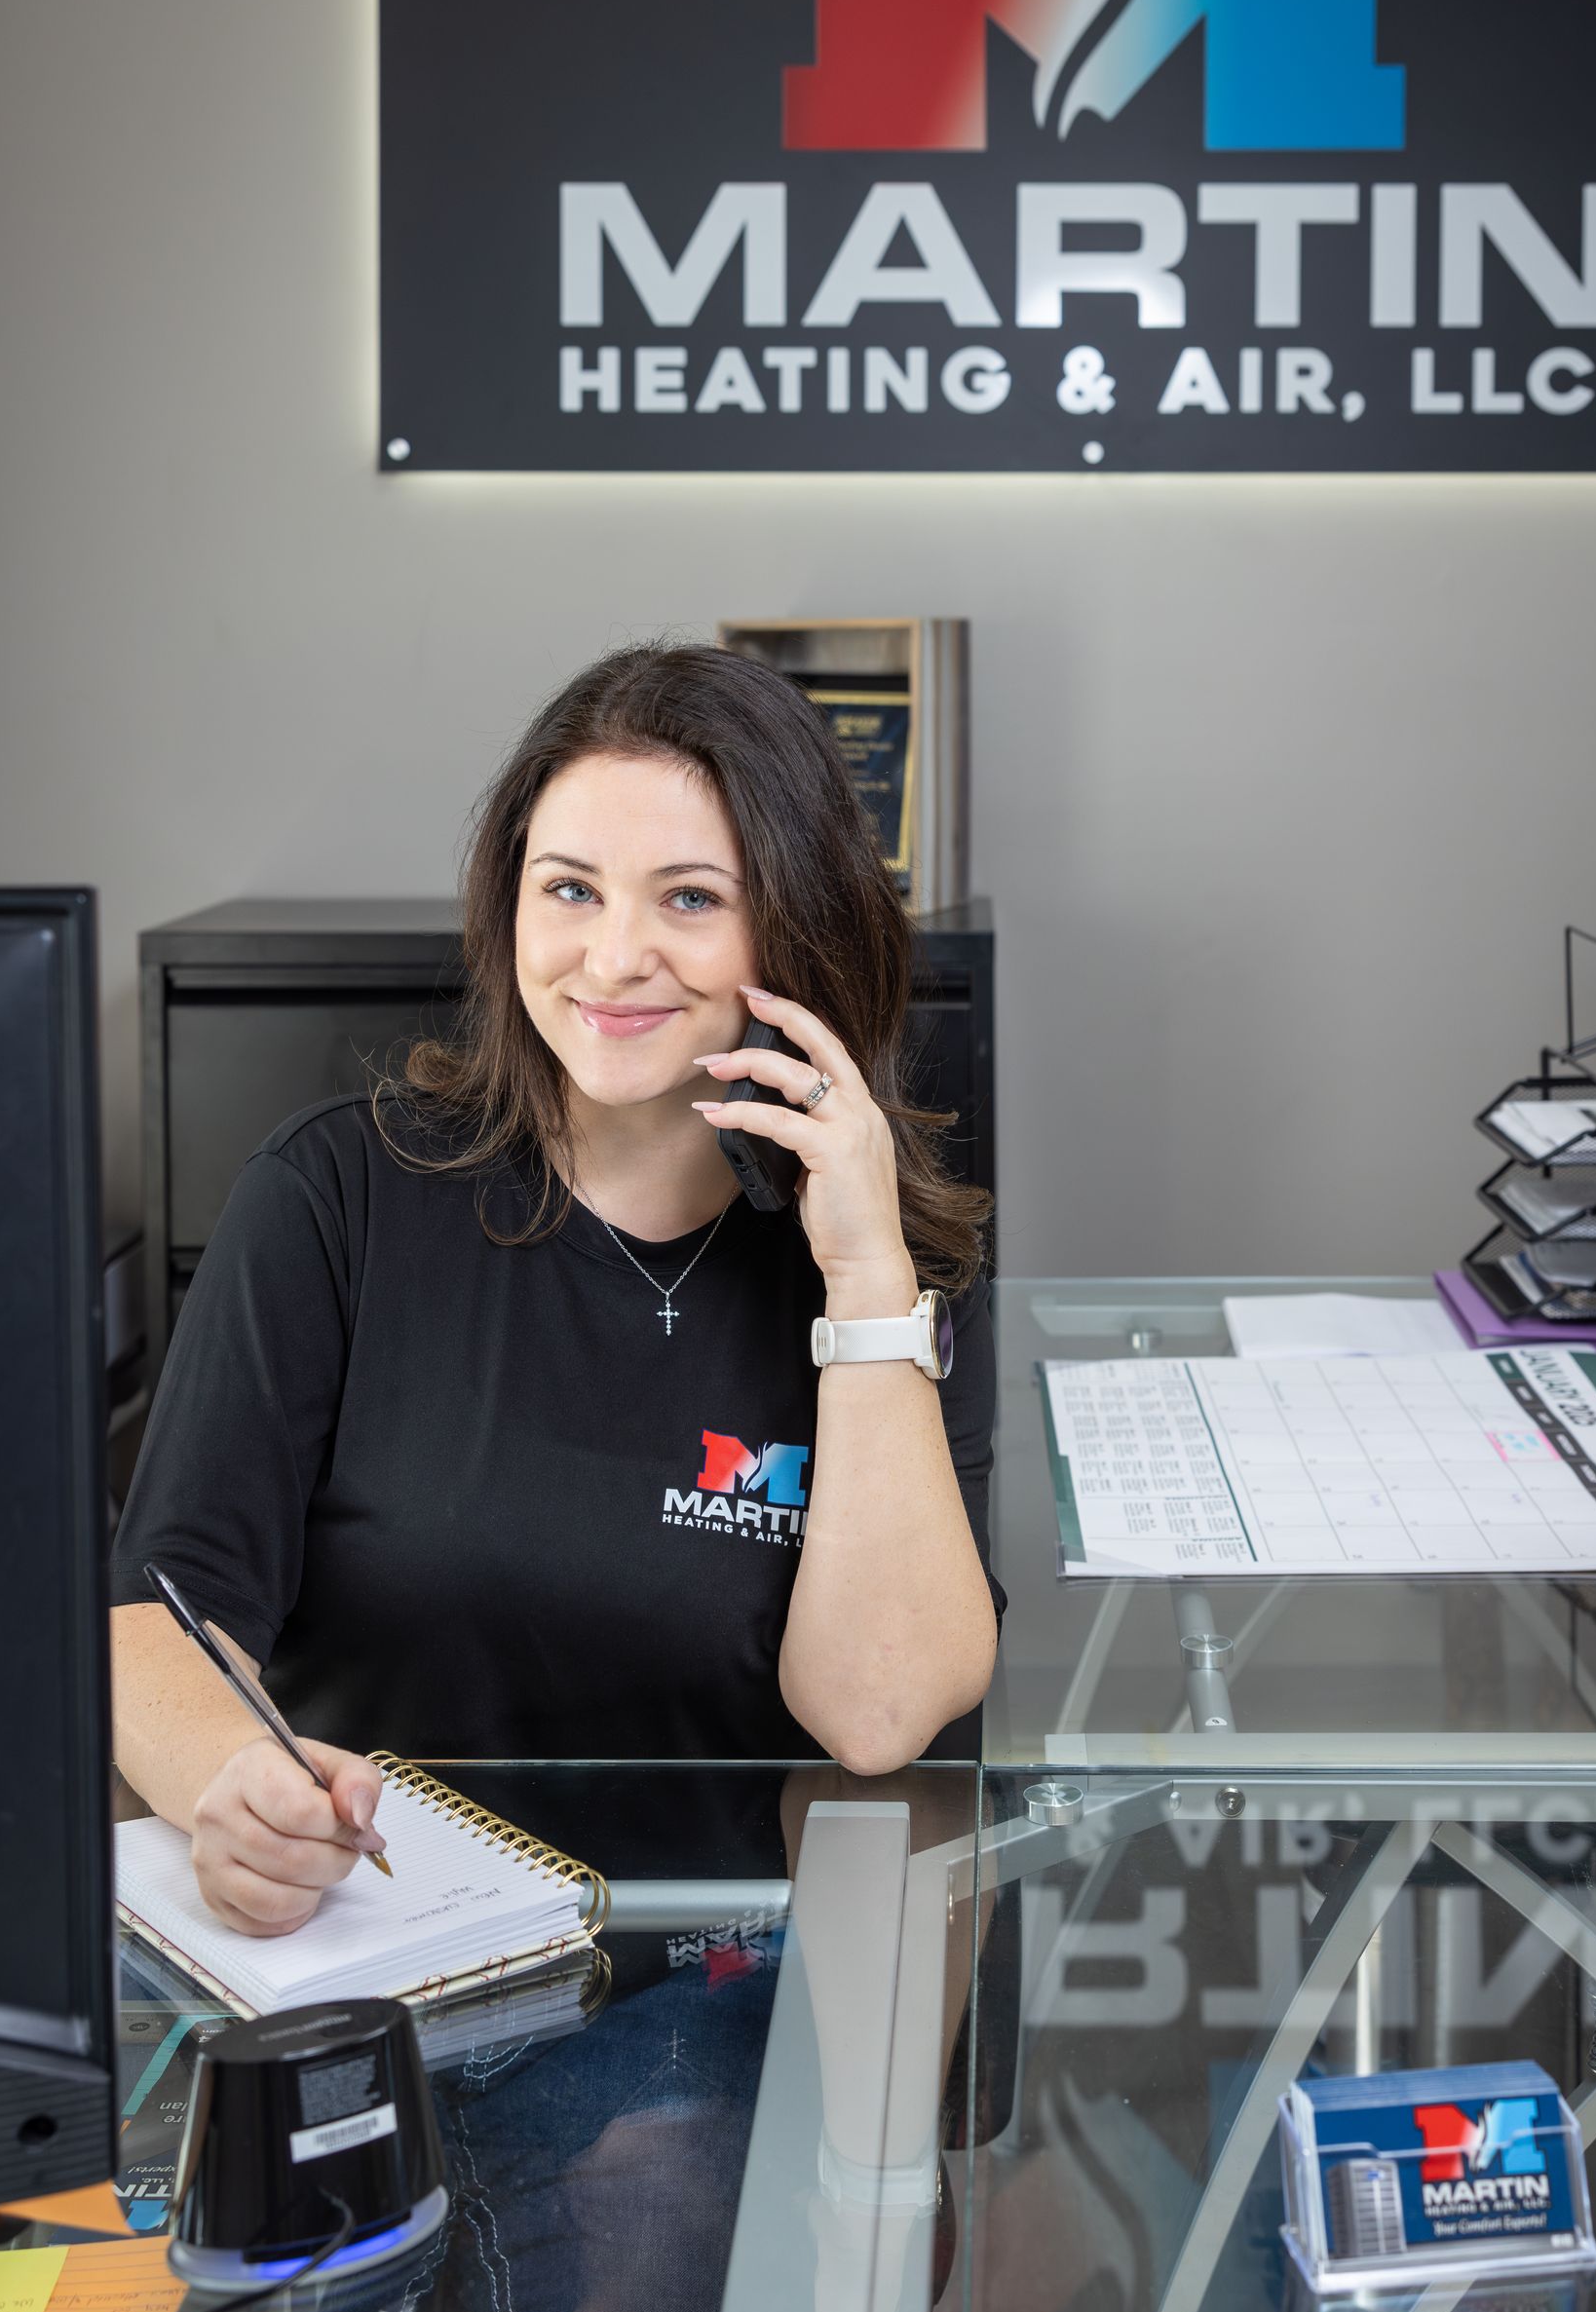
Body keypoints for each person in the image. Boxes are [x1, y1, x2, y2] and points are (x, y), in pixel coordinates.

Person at [109, 644, 1001, 1933]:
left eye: (690, 900)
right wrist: (237, 1786)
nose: (614, 956)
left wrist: (865, 1283)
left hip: (712, 1997)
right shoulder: (331, 1196)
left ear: (792, 924)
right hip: (375, 1955)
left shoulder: (895, 1268)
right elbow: (162, 1620)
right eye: (569, 889)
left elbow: (879, 1716)